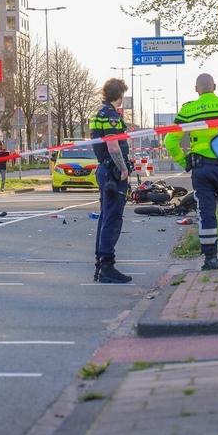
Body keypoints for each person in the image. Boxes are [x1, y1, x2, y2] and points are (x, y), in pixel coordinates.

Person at [164, 73, 218, 270]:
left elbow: (169, 140)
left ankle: (210, 259)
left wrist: (185, 161)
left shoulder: (188, 110)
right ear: (215, 86)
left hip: (201, 169)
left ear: (196, 89)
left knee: (206, 212)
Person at [89, 78, 133, 283]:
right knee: (113, 219)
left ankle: (101, 264)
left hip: (104, 170)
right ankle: (107, 266)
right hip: (113, 172)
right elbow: (113, 145)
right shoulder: (111, 116)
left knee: (105, 217)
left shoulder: (98, 114)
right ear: (120, 94)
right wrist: (123, 168)